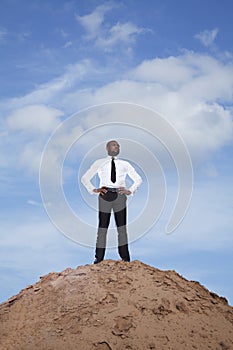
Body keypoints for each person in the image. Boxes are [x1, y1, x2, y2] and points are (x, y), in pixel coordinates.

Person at [81, 140, 142, 264]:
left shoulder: (125, 164)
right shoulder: (99, 163)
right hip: (105, 195)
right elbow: (85, 178)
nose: (117, 147)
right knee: (102, 227)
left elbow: (138, 179)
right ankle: (98, 259)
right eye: (114, 145)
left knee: (122, 228)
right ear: (107, 148)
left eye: (118, 145)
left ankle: (125, 258)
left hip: (120, 195)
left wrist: (130, 191)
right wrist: (94, 190)